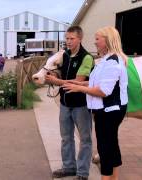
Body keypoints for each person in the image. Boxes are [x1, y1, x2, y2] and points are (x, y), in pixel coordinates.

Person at [62, 26, 128, 180]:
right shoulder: (108, 59)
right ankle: (114, 178)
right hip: (108, 110)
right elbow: (94, 83)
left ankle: (106, 177)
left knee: (105, 147)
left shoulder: (112, 62)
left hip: (109, 111)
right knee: (111, 144)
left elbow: (103, 91)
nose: (95, 42)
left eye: (98, 39)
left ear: (107, 40)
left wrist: (79, 89)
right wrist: (78, 85)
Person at [45, 26, 94, 180]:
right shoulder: (65, 55)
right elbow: (62, 72)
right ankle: (69, 167)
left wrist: (56, 81)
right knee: (66, 137)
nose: (68, 41)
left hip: (81, 105)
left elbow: (78, 82)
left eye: (72, 38)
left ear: (80, 39)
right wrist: (53, 73)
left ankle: (82, 173)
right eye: (67, 38)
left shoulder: (86, 57)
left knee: (85, 139)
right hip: (65, 104)